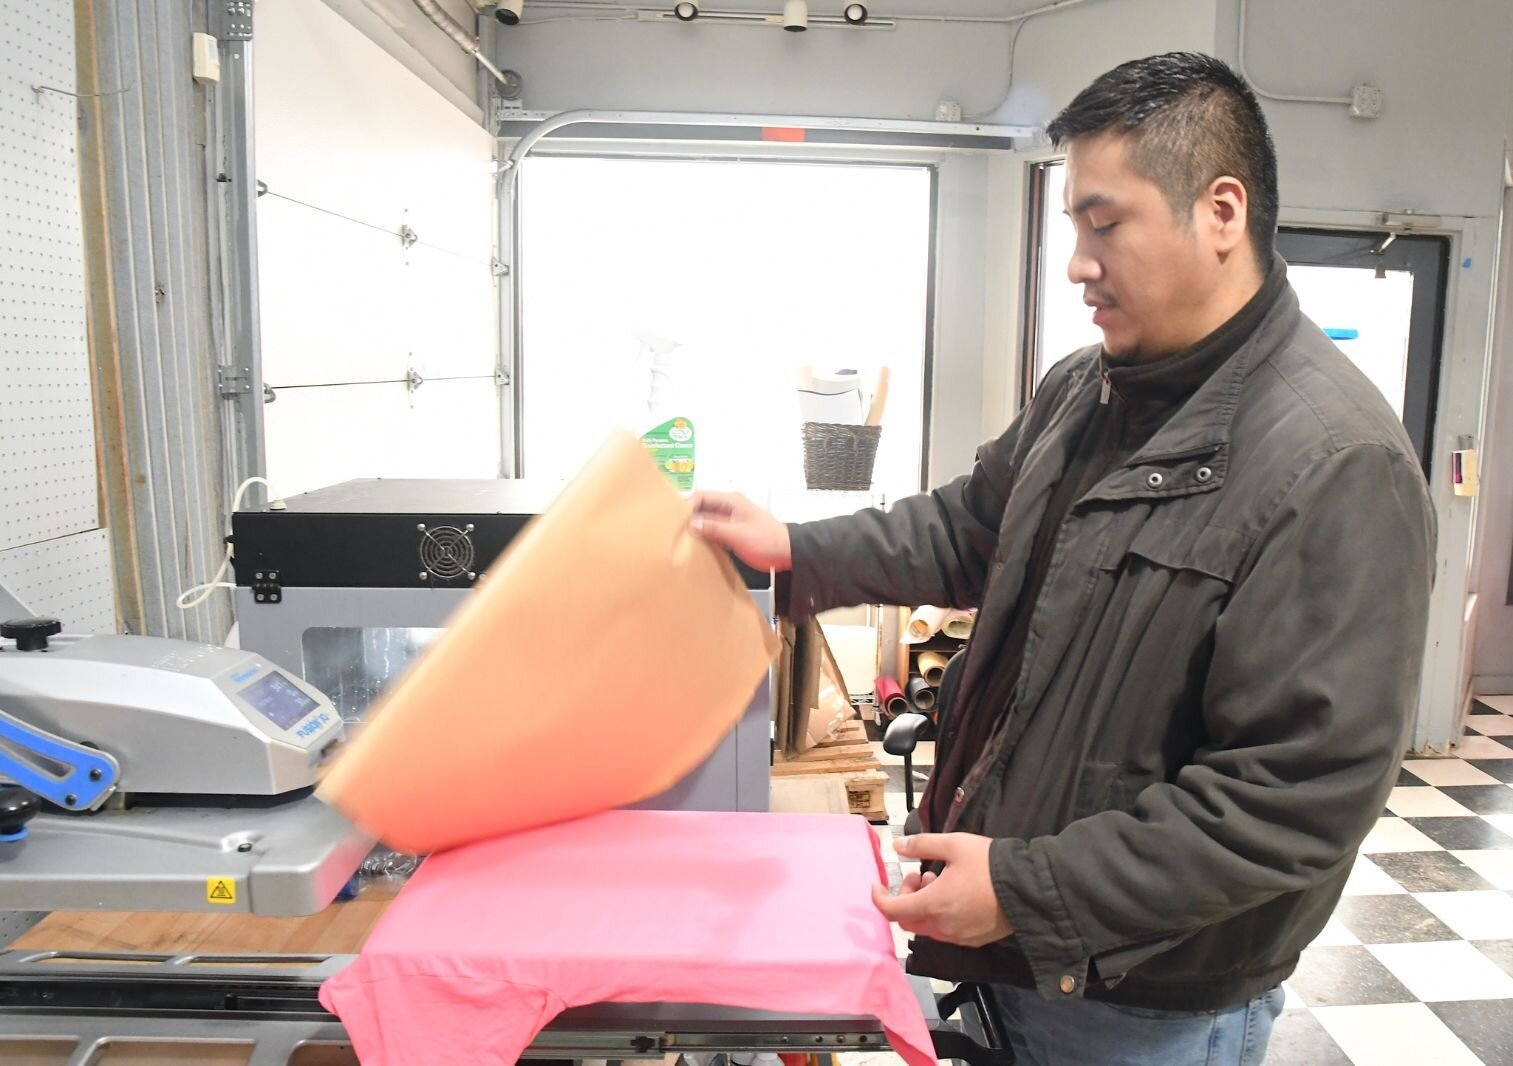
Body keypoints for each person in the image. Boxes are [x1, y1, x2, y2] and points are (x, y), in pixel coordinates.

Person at [692, 51, 1436, 1066]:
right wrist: (792, 550)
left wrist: (1026, 889)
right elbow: (965, 530)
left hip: (1145, 1005)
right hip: (1026, 970)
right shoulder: (1087, 387)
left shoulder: (1334, 463)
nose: (1080, 264)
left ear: (1220, 213)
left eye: (1104, 224)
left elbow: (1294, 794)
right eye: (1073, 233)